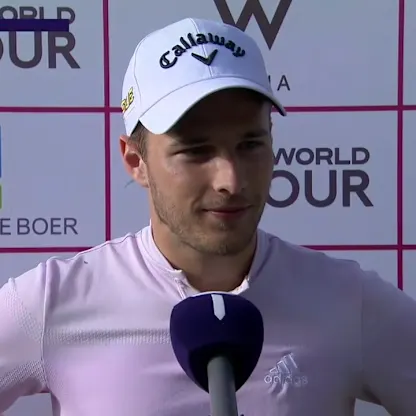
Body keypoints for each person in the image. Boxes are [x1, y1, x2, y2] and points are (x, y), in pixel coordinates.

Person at [0, 17, 415, 416]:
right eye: (196, 151)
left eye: (250, 145)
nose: (230, 180)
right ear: (136, 161)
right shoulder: (54, 301)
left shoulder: (346, 300)